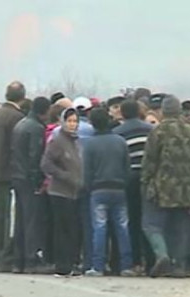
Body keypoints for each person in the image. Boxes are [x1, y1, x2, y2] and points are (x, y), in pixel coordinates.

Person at [141, 95, 190, 278]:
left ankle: (162, 255)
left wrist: (145, 182)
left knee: (151, 224)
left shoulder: (158, 132)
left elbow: (150, 161)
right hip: (187, 187)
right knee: (182, 226)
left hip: (162, 186)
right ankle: (180, 265)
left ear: (162, 111)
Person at [82, 108, 136, 277]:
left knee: (99, 228)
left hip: (99, 189)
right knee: (122, 227)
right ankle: (126, 265)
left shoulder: (89, 144)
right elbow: (127, 167)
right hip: (119, 188)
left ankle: (98, 265)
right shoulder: (120, 141)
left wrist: (89, 187)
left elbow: (87, 172)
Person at [0, 81, 27, 272]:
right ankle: (6, 257)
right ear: (22, 97)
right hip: (11, 174)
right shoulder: (17, 118)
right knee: (9, 218)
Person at [11, 96, 53, 274]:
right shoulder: (36, 128)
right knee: (32, 221)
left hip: (17, 176)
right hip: (29, 179)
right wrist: (38, 180)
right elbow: (35, 156)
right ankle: (31, 260)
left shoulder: (20, 124)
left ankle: (18, 260)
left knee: (21, 221)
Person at [113, 99, 155, 274]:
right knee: (148, 219)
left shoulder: (117, 133)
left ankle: (135, 260)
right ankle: (151, 261)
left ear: (122, 114)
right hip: (147, 178)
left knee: (132, 219)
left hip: (128, 178)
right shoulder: (150, 130)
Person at [41, 108, 84, 277]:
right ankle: (62, 265)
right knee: (62, 230)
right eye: (70, 121)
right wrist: (64, 176)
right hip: (59, 191)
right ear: (62, 122)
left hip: (74, 192)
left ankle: (71, 263)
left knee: (72, 229)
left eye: (75, 121)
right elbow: (46, 164)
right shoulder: (57, 141)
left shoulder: (76, 141)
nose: (72, 124)